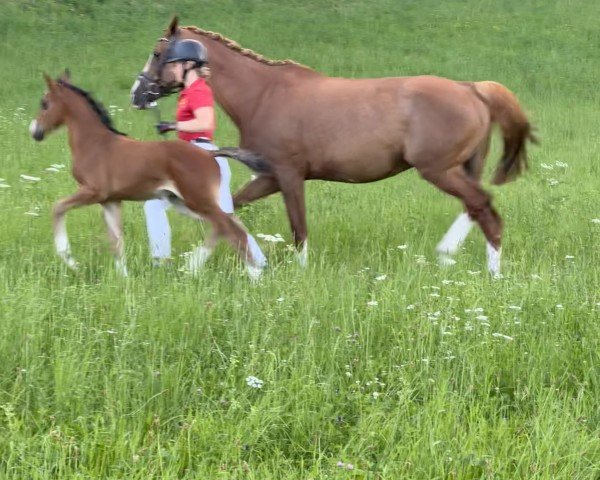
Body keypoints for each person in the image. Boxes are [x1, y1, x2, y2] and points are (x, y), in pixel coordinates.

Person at [145, 39, 266, 269]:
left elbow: (205, 122)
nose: (172, 69)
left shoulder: (199, 90)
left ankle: (259, 263)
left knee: (226, 219)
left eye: (176, 65)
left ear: (189, 64)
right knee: (154, 203)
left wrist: (173, 126)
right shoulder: (188, 92)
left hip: (204, 156)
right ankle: (160, 260)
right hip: (191, 158)